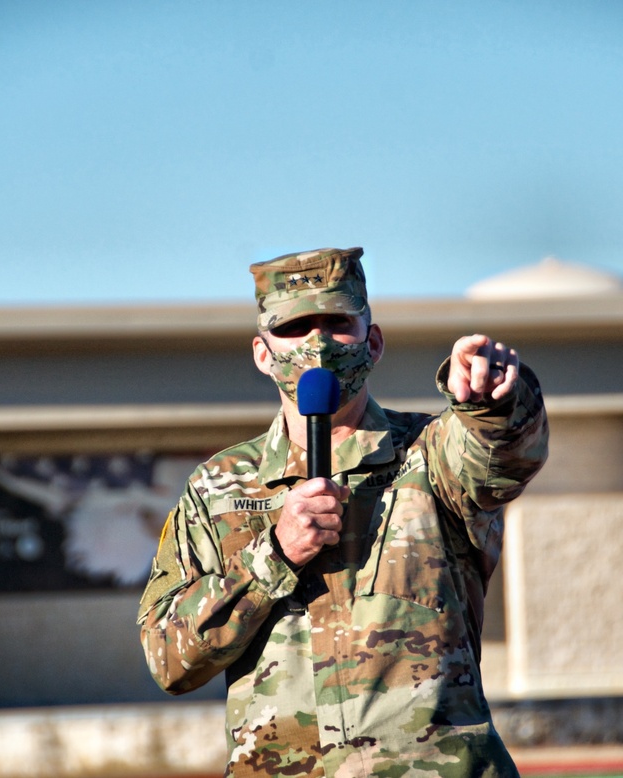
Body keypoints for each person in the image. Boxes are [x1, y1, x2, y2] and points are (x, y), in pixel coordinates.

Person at [138, 247, 549, 777]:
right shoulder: (217, 487)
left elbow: (503, 458)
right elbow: (169, 662)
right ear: (263, 354)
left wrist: (491, 402)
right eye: (295, 327)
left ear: (373, 343)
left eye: (338, 323)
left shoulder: (431, 453)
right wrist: (275, 556)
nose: (318, 343)